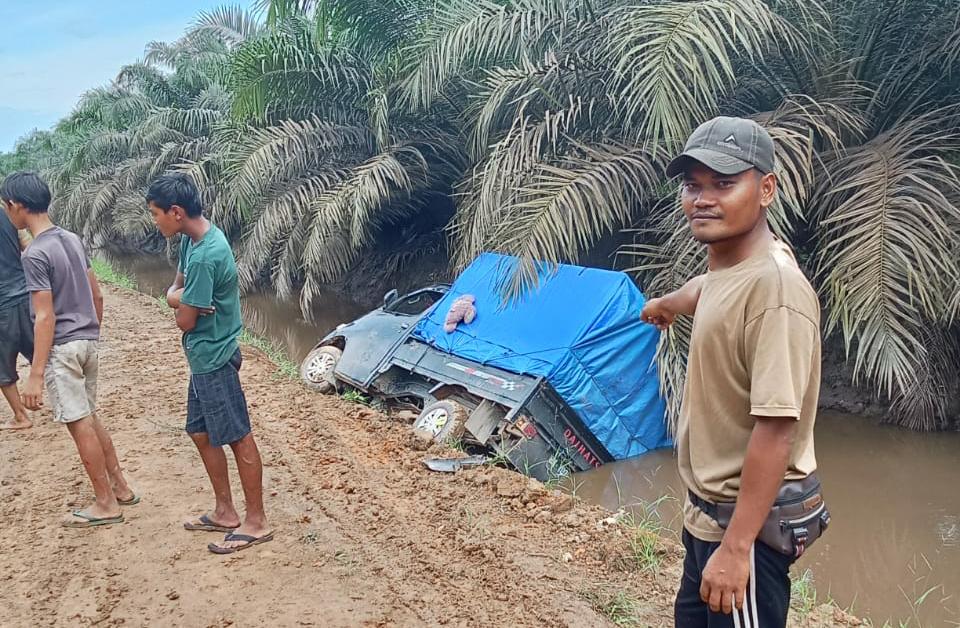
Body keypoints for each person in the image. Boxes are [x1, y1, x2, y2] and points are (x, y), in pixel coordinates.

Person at [641, 117, 825, 627]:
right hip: (708, 519)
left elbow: (776, 427)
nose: (703, 199)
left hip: (744, 526)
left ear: (766, 189)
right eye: (692, 185)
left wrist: (737, 549)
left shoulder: (777, 291)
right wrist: (672, 302)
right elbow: (710, 287)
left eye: (723, 183)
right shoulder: (731, 265)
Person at [2, 171, 137, 527]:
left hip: (64, 348)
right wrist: (92, 333)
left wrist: (34, 374)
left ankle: (105, 503)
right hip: (88, 341)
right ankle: (120, 486)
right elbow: (97, 295)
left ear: (16, 205)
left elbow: (44, 316)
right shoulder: (72, 240)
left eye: (6, 206)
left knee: (78, 424)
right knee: (90, 416)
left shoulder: (34, 254)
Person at [147, 172, 272, 554]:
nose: (154, 221)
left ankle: (256, 521)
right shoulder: (191, 238)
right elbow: (179, 288)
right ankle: (225, 510)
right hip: (202, 357)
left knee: (237, 436)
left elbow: (183, 318)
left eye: (155, 214)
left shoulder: (206, 255)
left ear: (176, 211)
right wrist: (178, 296)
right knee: (199, 432)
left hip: (214, 355)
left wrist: (175, 300)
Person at [0, 192, 33, 430]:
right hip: (25, 294)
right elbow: (28, 246)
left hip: (2, 302)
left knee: (2, 366)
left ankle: (21, 416)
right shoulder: (7, 211)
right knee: (41, 351)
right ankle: (67, 401)